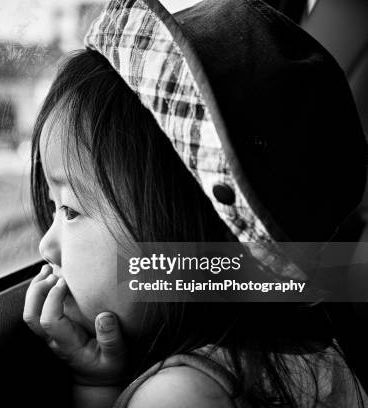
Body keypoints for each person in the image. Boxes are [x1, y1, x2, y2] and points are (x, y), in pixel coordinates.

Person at [23, 0, 368, 406]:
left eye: (70, 210)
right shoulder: (317, 358)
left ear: (191, 228)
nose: (47, 245)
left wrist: (95, 389)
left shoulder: (178, 396)